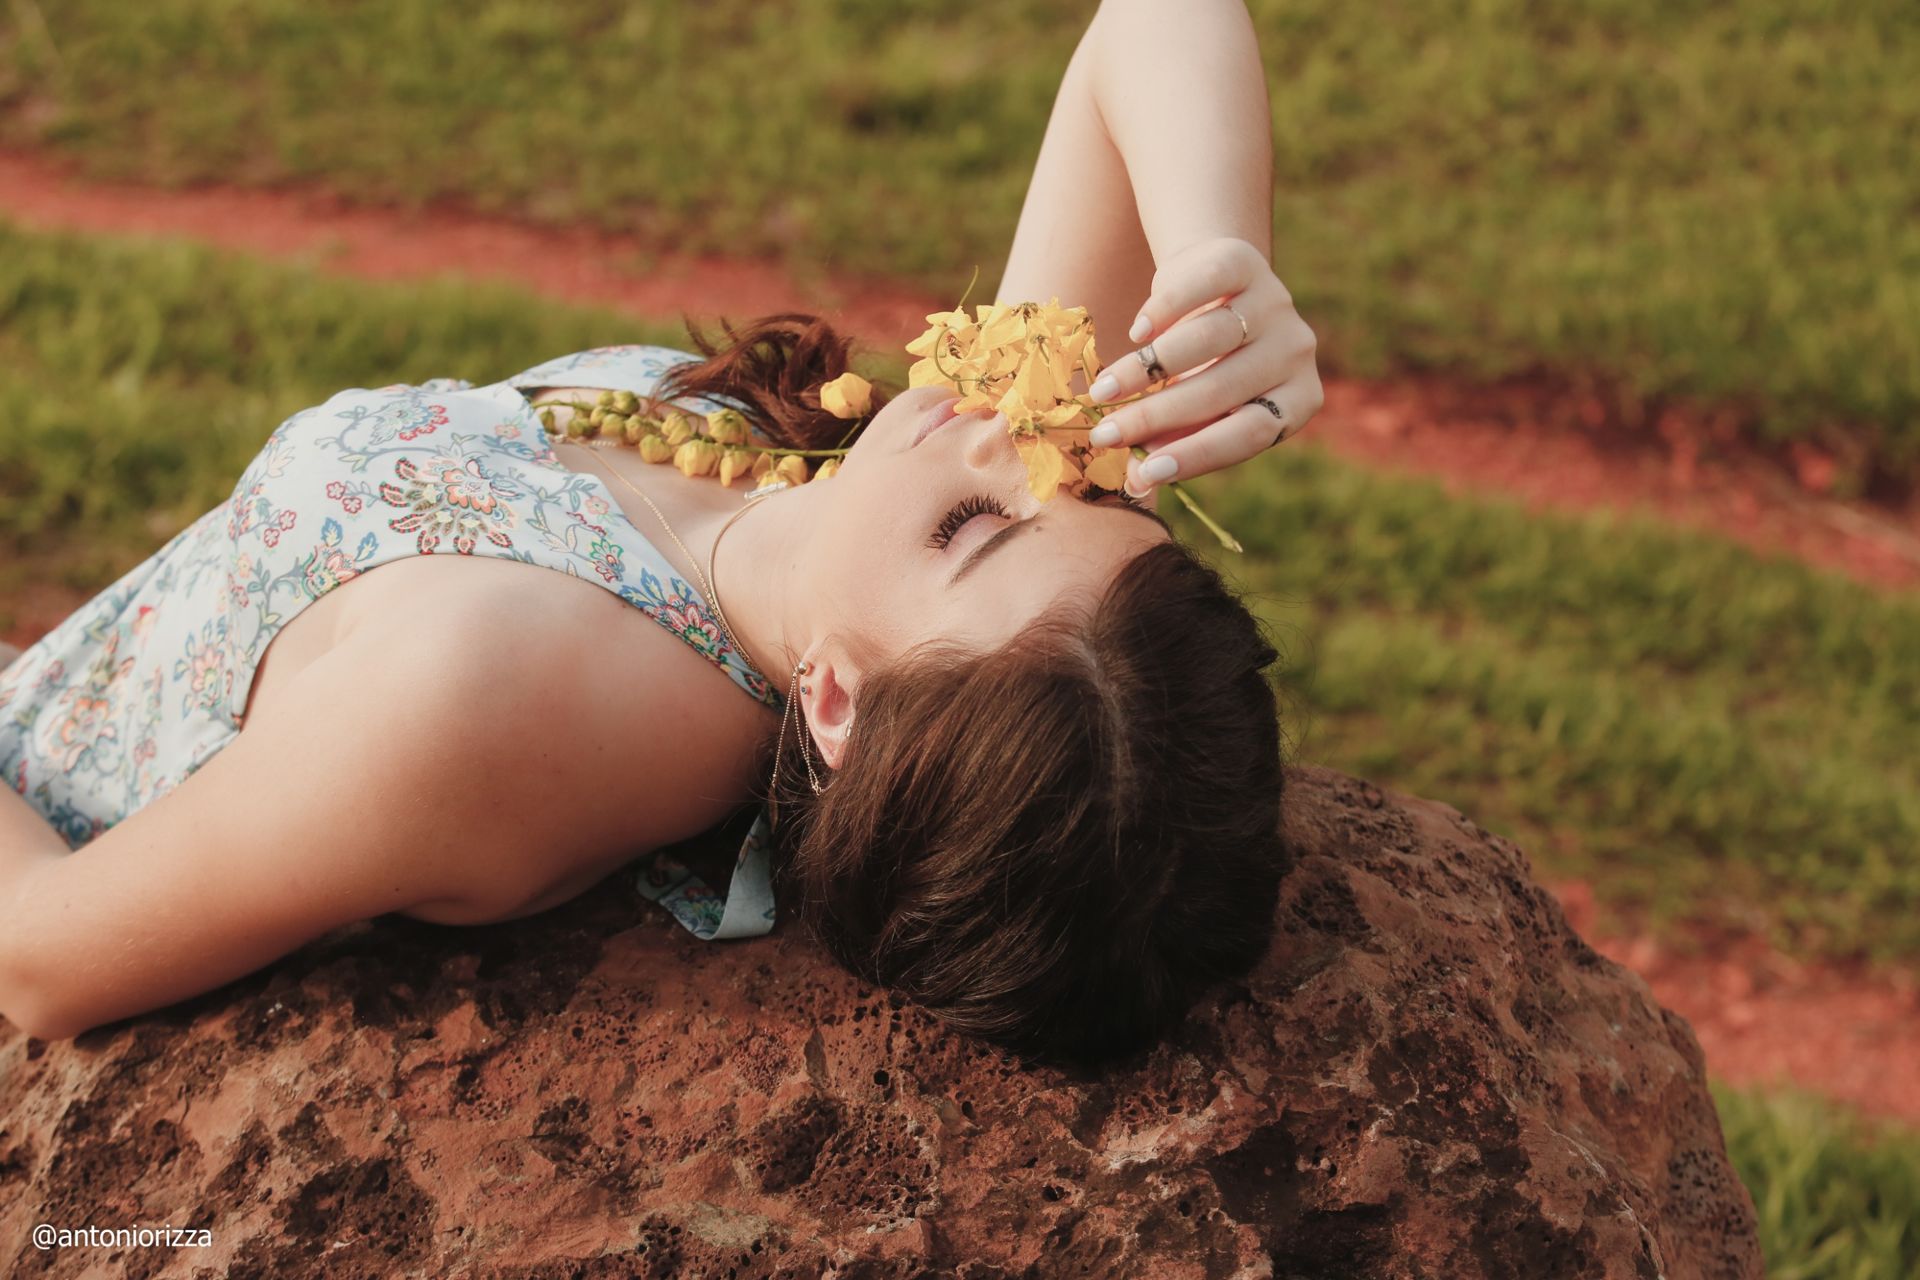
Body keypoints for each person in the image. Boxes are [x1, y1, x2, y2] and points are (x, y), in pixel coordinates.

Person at [0, 0, 1322, 1066]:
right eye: (1092, 488)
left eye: (976, 522)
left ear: (841, 705)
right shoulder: (921, 556)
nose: (1002, 432)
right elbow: (1156, 17)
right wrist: (1220, 258)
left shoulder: (496, 699)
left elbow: (42, 957)